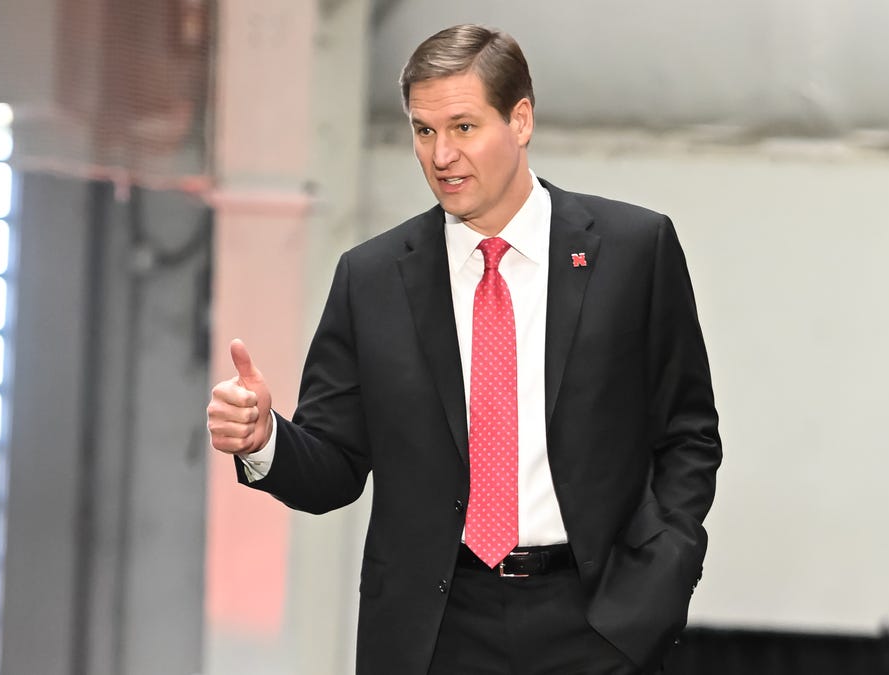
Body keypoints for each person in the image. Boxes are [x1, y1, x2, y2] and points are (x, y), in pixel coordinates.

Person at [206, 24, 721, 675]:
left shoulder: (633, 250)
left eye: (463, 127)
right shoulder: (372, 278)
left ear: (520, 120)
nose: (441, 154)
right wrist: (264, 440)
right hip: (434, 633)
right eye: (423, 131)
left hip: (599, 623)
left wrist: (661, 580)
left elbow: (688, 433)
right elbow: (334, 466)